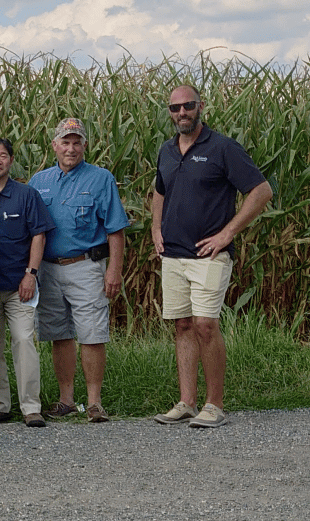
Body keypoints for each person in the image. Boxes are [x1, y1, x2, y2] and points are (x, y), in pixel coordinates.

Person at [151, 85, 273, 428]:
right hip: (173, 254)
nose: (181, 113)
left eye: (188, 106)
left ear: (200, 106)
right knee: (183, 325)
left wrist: (228, 233)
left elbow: (261, 191)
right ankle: (187, 402)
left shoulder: (222, 148)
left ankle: (214, 404)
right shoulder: (167, 150)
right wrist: (155, 229)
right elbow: (159, 191)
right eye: (175, 108)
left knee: (206, 325)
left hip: (209, 255)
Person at [28, 118, 129, 423]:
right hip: (48, 269)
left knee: (91, 334)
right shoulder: (39, 181)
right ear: (54, 145)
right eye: (65, 142)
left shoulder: (101, 179)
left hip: (86, 266)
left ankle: (94, 402)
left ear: (85, 145)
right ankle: (66, 400)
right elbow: (31, 231)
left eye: (76, 142)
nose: (70, 148)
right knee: (58, 334)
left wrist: (114, 270)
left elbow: (115, 230)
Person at [0, 138, 54, 428]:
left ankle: (31, 407)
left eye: (3, 156)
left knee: (24, 341)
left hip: (19, 286)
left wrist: (31, 273)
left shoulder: (27, 195)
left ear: (11, 161)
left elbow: (38, 235)